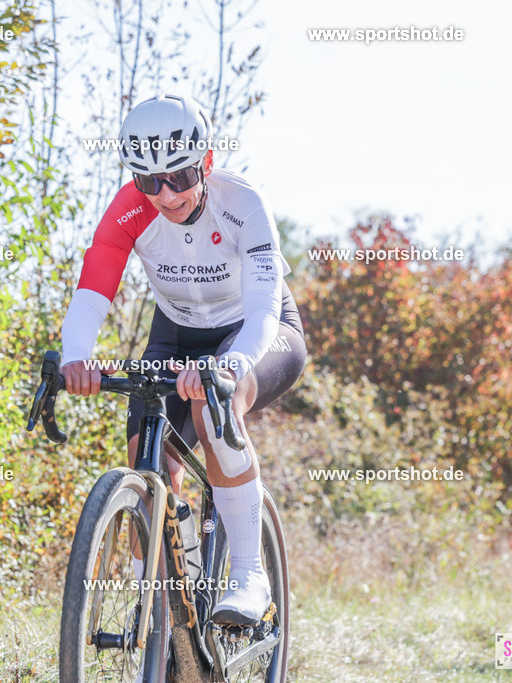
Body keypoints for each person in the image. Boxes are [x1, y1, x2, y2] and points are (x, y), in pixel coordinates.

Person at [60, 93, 307, 626]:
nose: (166, 194)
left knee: (212, 408)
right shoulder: (128, 209)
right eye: (149, 182)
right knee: (145, 451)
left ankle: (247, 573)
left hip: (259, 331)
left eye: (179, 176)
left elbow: (264, 310)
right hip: (177, 334)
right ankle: (176, 597)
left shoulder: (242, 203)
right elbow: (92, 292)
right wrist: (76, 359)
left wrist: (232, 367)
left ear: (207, 163)